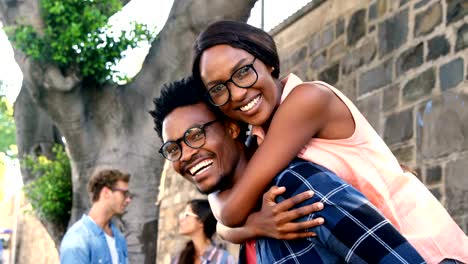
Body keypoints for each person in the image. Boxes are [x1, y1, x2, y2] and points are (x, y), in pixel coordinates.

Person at [192, 20, 468, 263]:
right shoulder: (261, 139)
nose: (237, 94)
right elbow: (223, 218)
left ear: (268, 62)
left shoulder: (308, 100)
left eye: (243, 72)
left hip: (425, 250)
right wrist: (257, 226)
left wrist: (244, 221)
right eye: (219, 89)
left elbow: (230, 212)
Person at [150, 77, 424, 263]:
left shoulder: (297, 189)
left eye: (196, 135)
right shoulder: (246, 214)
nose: (185, 155)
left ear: (233, 128)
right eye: (173, 149)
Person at [60, 169, 132, 264]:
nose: (128, 200)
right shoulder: (77, 239)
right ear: (106, 193)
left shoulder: (119, 238)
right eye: (124, 193)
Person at [172, 199, 235, 264]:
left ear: (201, 221)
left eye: (187, 215)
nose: (181, 220)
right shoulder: (178, 259)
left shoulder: (224, 259)